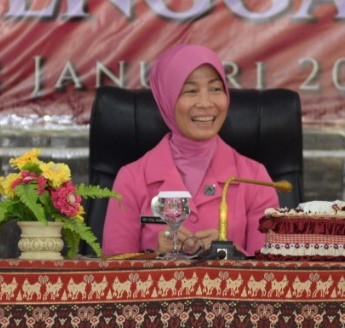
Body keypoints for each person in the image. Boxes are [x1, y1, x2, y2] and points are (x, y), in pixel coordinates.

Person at [102, 44, 280, 257]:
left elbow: (270, 276)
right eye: (191, 91)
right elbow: (112, 276)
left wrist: (230, 252)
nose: (206, 103)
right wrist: (154, 257)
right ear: (167, 99)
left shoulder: (255, 179)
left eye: (215, 89)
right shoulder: (131, 179)